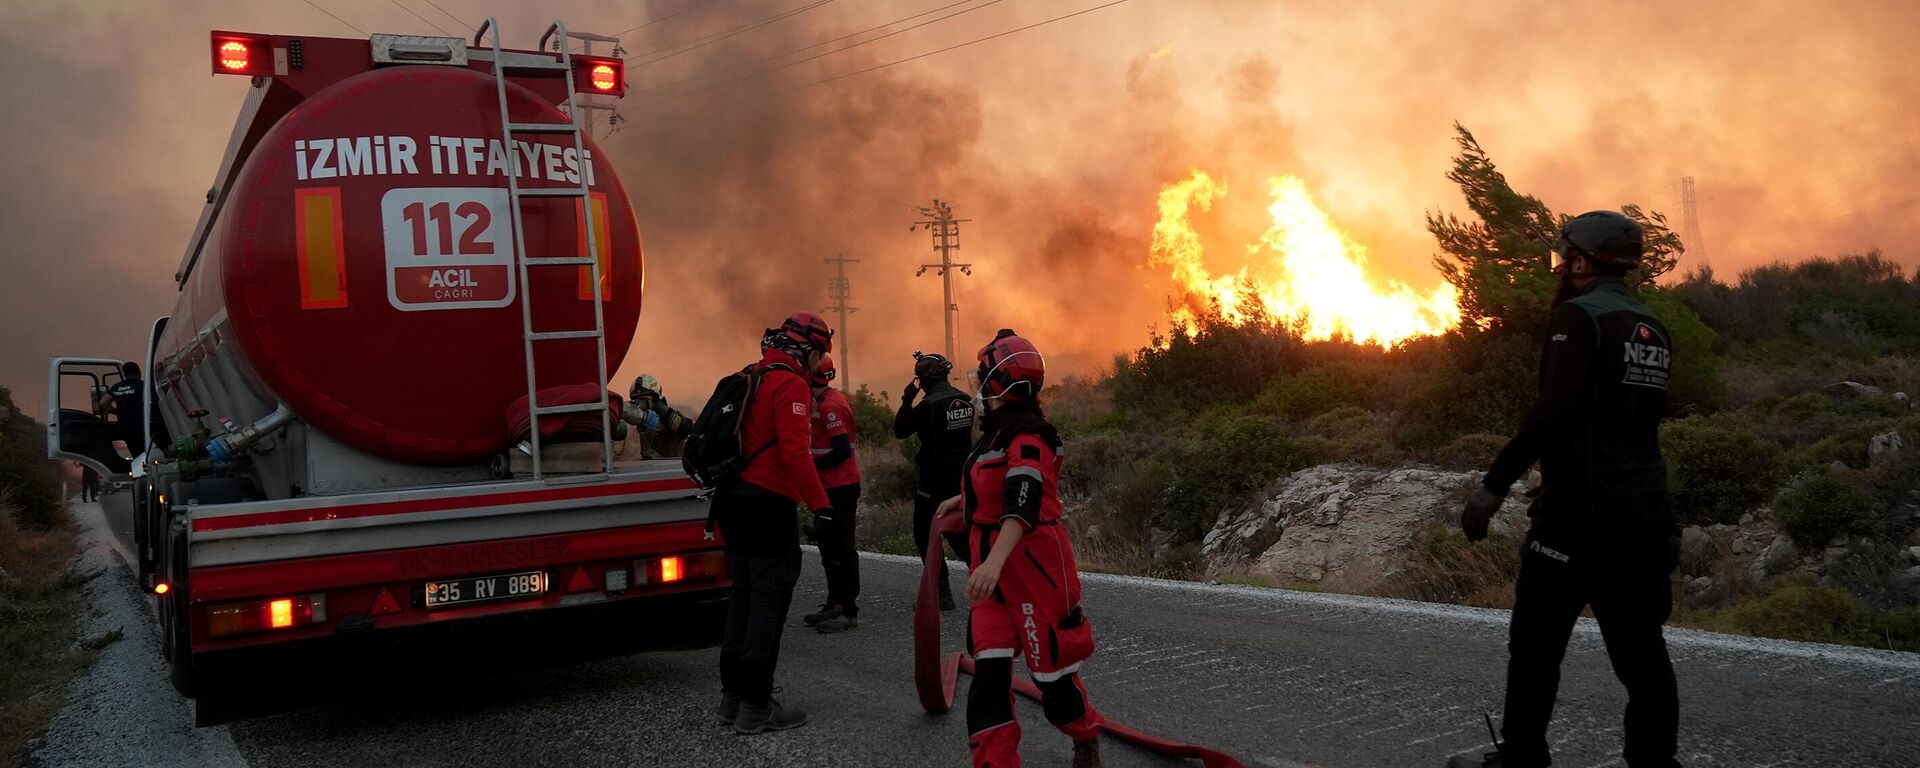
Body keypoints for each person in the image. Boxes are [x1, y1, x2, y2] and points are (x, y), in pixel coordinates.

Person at [1449, 211, 1680, 768]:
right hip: (1647, 516)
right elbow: (1631, 426)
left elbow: (1549, 416)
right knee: (1642, 653)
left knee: (1535, 644)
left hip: (1579, 519)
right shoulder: (1651, 326)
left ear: (1579, 260)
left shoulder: (1578, 318)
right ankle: (1655, 762)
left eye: (1564, 255)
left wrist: (1493, 487)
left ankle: (1523, 757)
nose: (1560, 264)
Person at [936, 329, 1103, 768]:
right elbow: (990, 483)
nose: (977, 383)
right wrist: (963, 500)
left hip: (1031, 568)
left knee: (1053, 683)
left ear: (998, 383)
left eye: (983, 374)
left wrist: (993, 562)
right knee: (988, 679)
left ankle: (1084, 733)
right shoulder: (994, 433)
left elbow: (1023, 499)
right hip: (991, 571)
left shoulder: (1029, 435)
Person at [713, 311, 836, 735]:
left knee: (743, 600)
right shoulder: (789, 383)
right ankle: (756, 707)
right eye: (818, 353)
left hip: (732, 503)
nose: (819, 363)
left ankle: (731, 701)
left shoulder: (752, 375)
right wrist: (822, 506)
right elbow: (794, 453)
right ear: (806, 349)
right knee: (768, 604)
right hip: (767, 507)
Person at [895, 350, 976, 611]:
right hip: (962, 479)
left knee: (925, 533)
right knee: (962, 533)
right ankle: (987, 580)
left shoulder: (928, 405)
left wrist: (907, 401)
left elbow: (900, 430)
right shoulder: (965, 400)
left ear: (924, 379)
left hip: (933, 481)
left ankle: (942, 592)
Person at [801, 353, 864, 634]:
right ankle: (833, 603)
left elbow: (840, 450)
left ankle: (847, 609)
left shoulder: (830, 406)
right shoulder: (824, 401)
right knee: (828, 548)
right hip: (829, 486)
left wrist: (809, 466)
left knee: (841, 547)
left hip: (841, 486)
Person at [622, 373, 693, 458]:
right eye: (636, 400)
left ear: (655, 400)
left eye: (643, 400)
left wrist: (663, 411)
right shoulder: (641, 419)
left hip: (672, 465)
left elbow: (688, 429)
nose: (639, 405)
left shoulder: (669, 417)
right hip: (650, 467)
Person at [97, 362, 147, 459]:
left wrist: (117, 412)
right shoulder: (142, 386)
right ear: (138, 372)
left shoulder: (117, 387)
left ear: (124, 374)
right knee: (145, 452)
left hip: (124, 427)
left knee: (135, 454)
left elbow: (103, 403)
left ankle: (139, 469)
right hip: (140, 426)